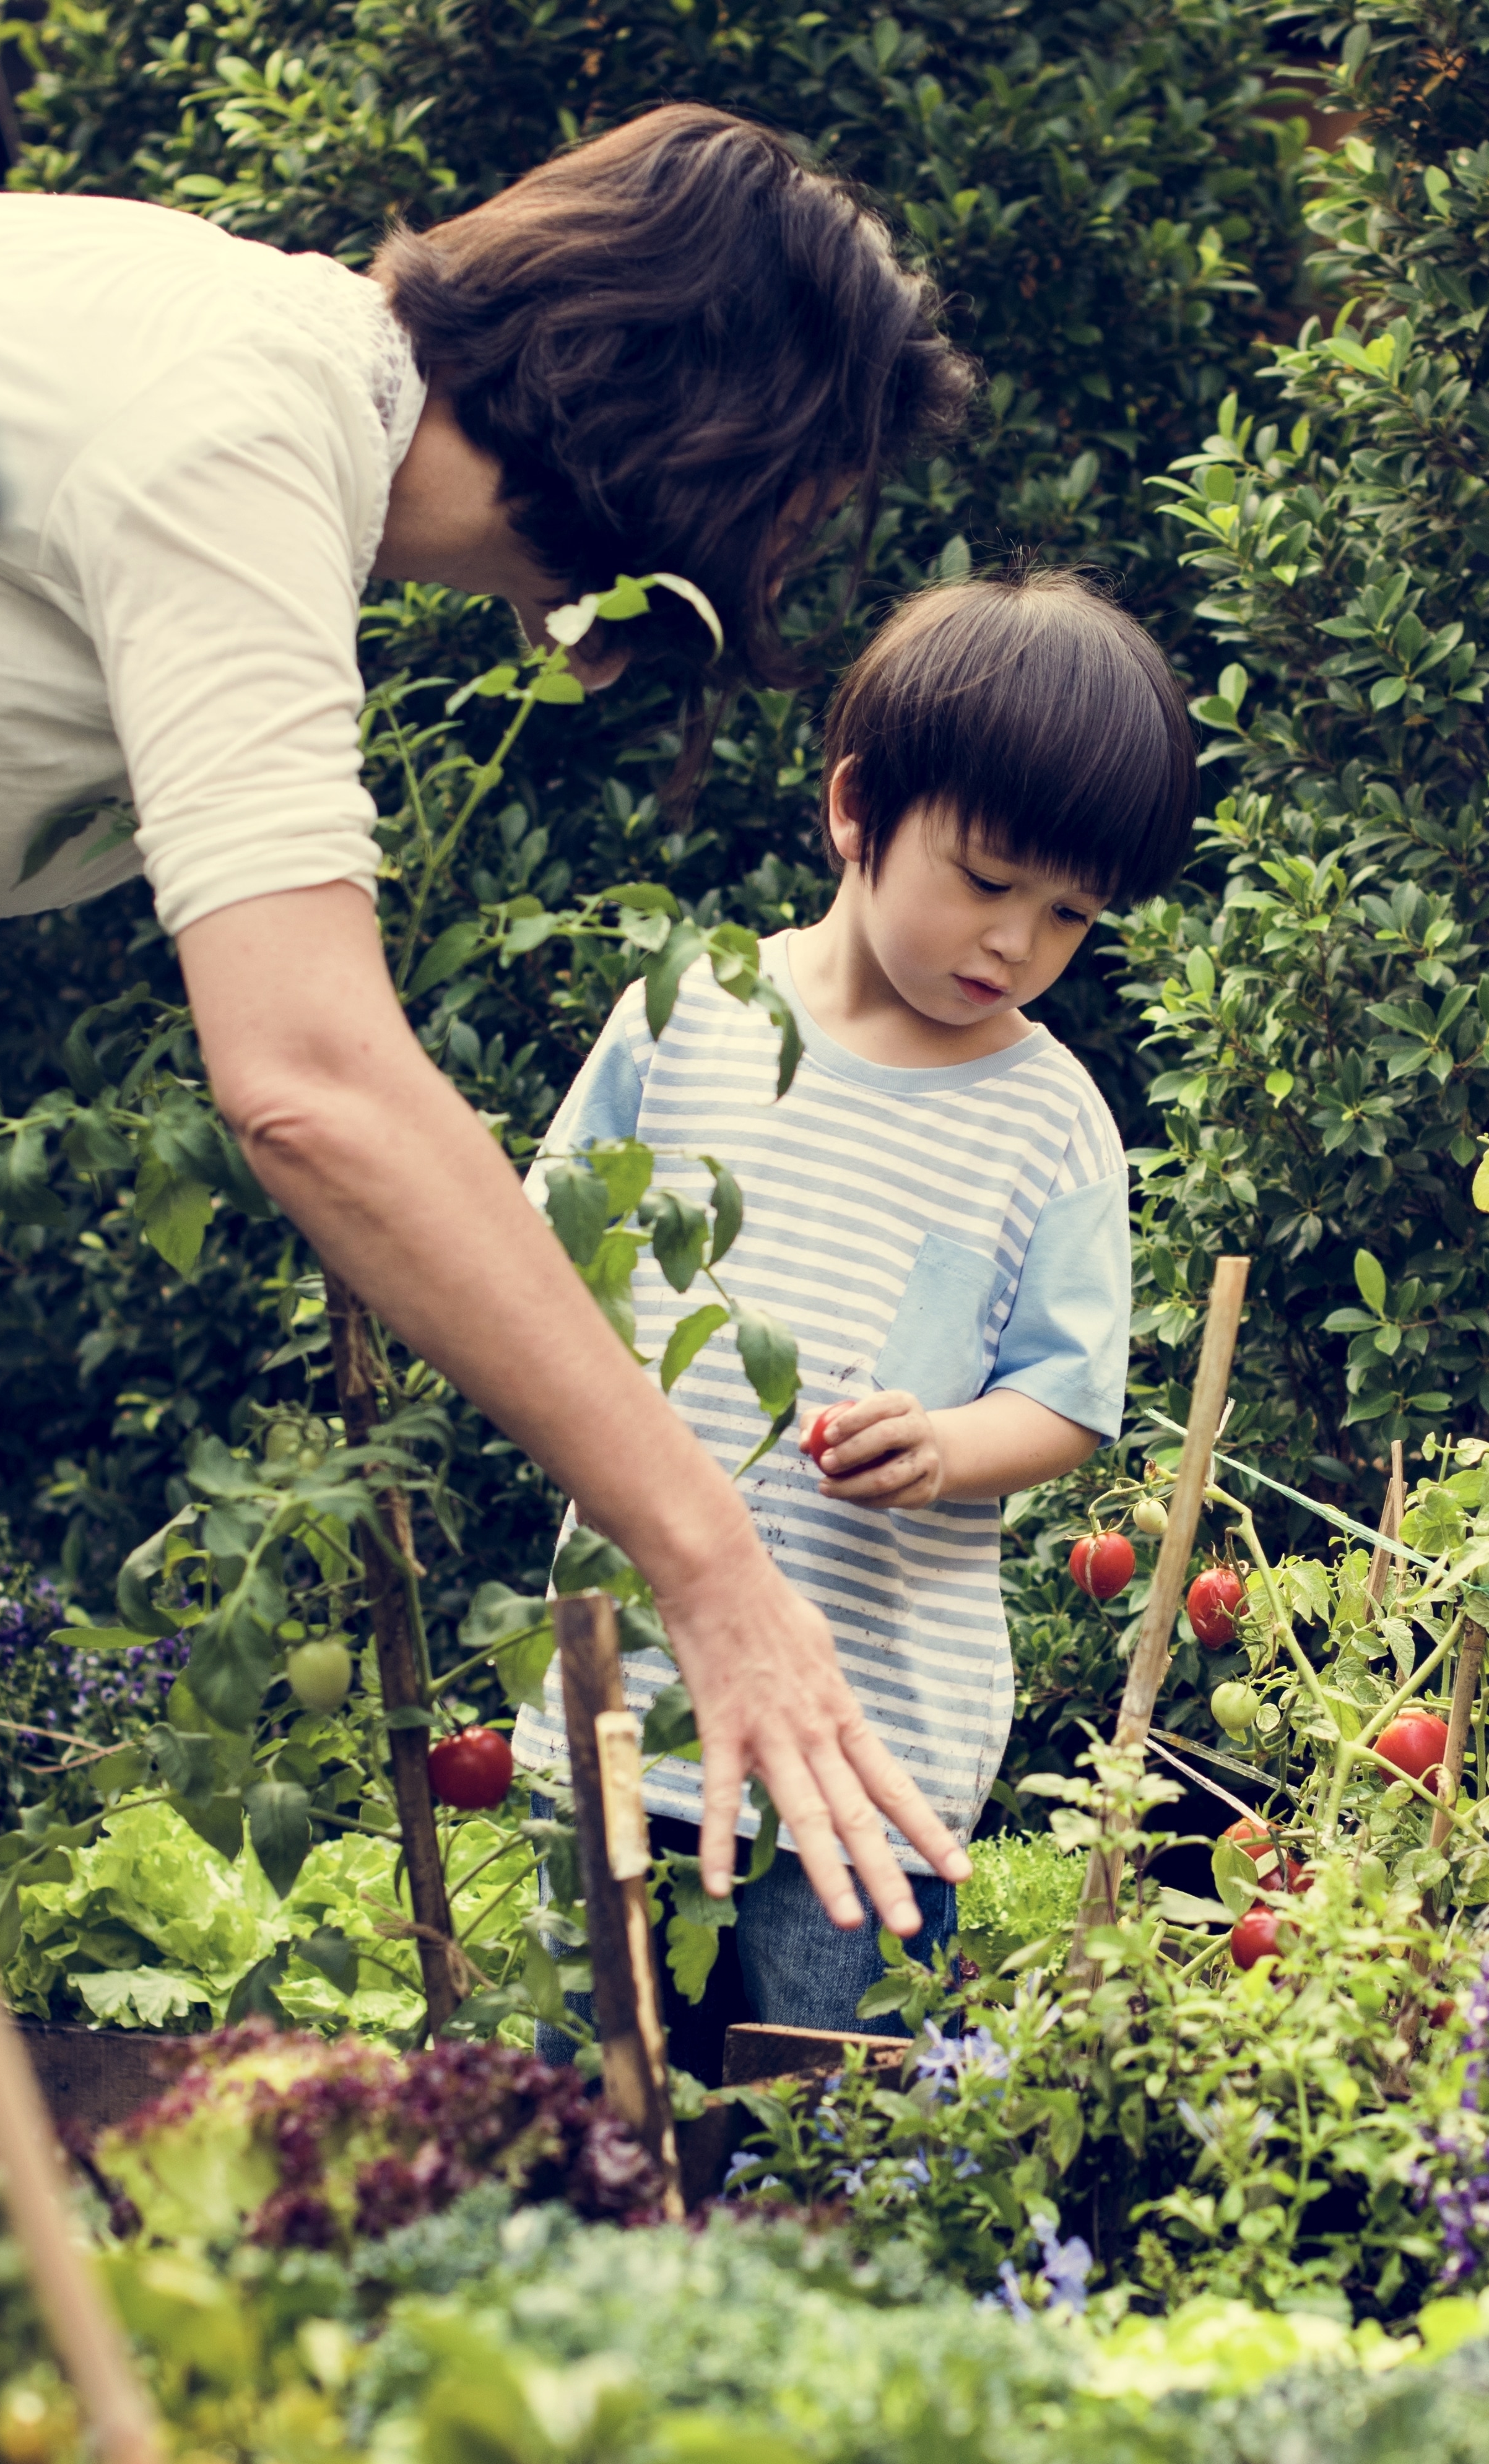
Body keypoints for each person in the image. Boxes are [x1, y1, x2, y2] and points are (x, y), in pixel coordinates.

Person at [0, 108, 979, 1928]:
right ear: (694, 442)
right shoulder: (246, 423)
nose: (776, 571)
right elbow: (314, 1080)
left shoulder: (232, 350)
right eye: (794, 506)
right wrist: (713, 1564)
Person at [510, 571, 1185, 2034]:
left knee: (831, 2131)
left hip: (872, 1745)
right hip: (632, 1690)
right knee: (590, 2111)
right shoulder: (688, 1015)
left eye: (1070, 914)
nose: (1015, 944)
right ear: (857, 810)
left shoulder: (1051, 1120)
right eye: (989, 880)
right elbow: (534, 1264)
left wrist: (946, 1450)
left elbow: (1066, 1399)